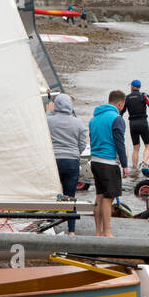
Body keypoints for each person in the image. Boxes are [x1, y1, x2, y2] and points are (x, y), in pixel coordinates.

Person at [46, 93, 88, 233]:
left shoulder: (49, 120)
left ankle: (50, 227)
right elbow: (82, 145)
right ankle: (71, 231)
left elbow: (42, 134)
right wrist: (74, 154)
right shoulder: (78, 122)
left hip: (54, 162)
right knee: (70, 197)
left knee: (53, 195)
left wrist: (48, 111)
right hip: (71, 162)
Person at [89, 90, 129, 237]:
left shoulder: (94, 118)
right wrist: (125, 165)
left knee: (99, 196)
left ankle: (98, 232)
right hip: (108, 162)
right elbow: (120, 143)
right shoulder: (116, 118)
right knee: (108, 197)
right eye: (123, 105)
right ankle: (107, 231)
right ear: (120, 103)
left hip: (95, 161)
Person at [122, 80, 149, 176]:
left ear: (132, 87)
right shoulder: (143, 95)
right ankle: (144, 163)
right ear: (139, 87)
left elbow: (121, 111)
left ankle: (135, 168)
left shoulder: (127, 98)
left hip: (132, 124)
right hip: (143, 123)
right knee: (148, 145)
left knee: (136, 148)